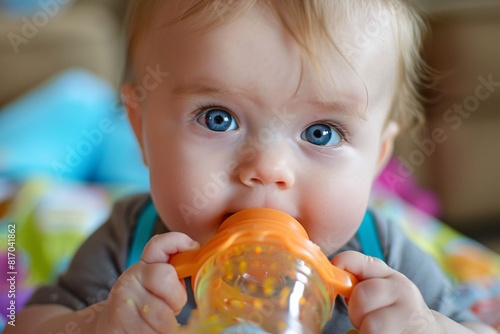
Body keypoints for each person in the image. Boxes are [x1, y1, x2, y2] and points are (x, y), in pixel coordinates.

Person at [7, 0, 497, 333]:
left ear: (377, 160)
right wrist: (95, 323)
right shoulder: (131, 245)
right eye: (218, 119)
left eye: (321, 132)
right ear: (141, 131)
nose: (267, 169)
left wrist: (428, 326)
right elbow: (27, 322)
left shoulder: (383, 258)